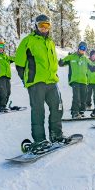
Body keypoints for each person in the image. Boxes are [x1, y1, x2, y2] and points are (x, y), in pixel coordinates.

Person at [15, 14, 66, 154]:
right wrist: (27, 80)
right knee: (38, 111)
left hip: (51, 82)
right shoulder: (28, 41)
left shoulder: (50, 42)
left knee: (58, 108)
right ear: (36, 26)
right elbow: (19, 64)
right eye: (41, 25)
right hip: (36, 83)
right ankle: (40, 140)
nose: (44, 28)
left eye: (47, 26)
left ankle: (56, 135)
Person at [59, 41, 90, 118]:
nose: (82, 50)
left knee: (84, 97)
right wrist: (60, 62)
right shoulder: (72, 57)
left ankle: (81, 111)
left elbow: (92, 66)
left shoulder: (86, 59)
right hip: (75, 80)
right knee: (76, 97)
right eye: (81, 48)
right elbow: (62, 62)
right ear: (78, 48)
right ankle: (75, 112)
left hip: (84, 81)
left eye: (84, 48)